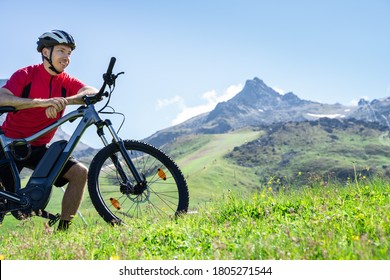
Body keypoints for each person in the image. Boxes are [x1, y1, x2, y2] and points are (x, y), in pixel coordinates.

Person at [0, 30, 97, 230]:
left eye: (69, 53)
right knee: (16, 207)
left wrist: (63, 101)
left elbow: (92, 92)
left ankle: (63, 230)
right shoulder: (25, 75)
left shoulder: (66, 82)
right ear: (46, 52)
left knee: (79, 173)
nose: (66, 58)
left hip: (39, 147)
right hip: (10, 145)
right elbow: (2, 97)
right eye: (61, 51)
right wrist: (43, 103)